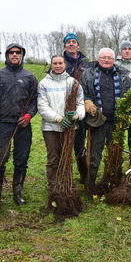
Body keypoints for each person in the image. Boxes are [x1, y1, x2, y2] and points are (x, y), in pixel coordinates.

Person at [0, 43, 38, 205]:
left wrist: (29, 115)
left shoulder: (30, 77)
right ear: (7, 55)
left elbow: (36, 100)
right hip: (3, 123)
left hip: (23, 125)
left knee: (21, 160)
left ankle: (17, 192)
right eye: (11, 52)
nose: (14, 55)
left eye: (18, 52)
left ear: (21, 55)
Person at [81, 48, 131, 190]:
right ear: (98, 58)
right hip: (97, 122)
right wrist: (87, 102)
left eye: (109, 58)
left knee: (116, 154)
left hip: (116, 123)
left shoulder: (123, 74)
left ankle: (115, 183)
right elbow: (82, 93)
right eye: (103, 57)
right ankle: (90, 185)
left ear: (114, 59)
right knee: (94, 156)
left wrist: (128, 111)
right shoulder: (88, 74)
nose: (106, 60)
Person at [37, 55, 85, 192]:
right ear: (51, 65)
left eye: (60, 63)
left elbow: (81, 104)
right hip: (50, 127)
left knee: (66, 157)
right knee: (53, 158)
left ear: (65, 65)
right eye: (55, 63)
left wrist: (77, 115)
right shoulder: (44, 84)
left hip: (70, 127)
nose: (57, 66)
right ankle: (53, 186)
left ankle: (66, 183)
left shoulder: (73, 83)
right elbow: (42, 107)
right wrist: (58, 118)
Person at [62, 32, 92, 183]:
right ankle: (64, 175)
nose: (71, 44)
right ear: (65, 46)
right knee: (64, 143)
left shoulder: (87, 63)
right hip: (65, 109)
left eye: (74, 42)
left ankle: (84, 175)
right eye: (68, 42)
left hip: (83, 107)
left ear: (78, 45)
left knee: (80, 144)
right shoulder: (60, 62)